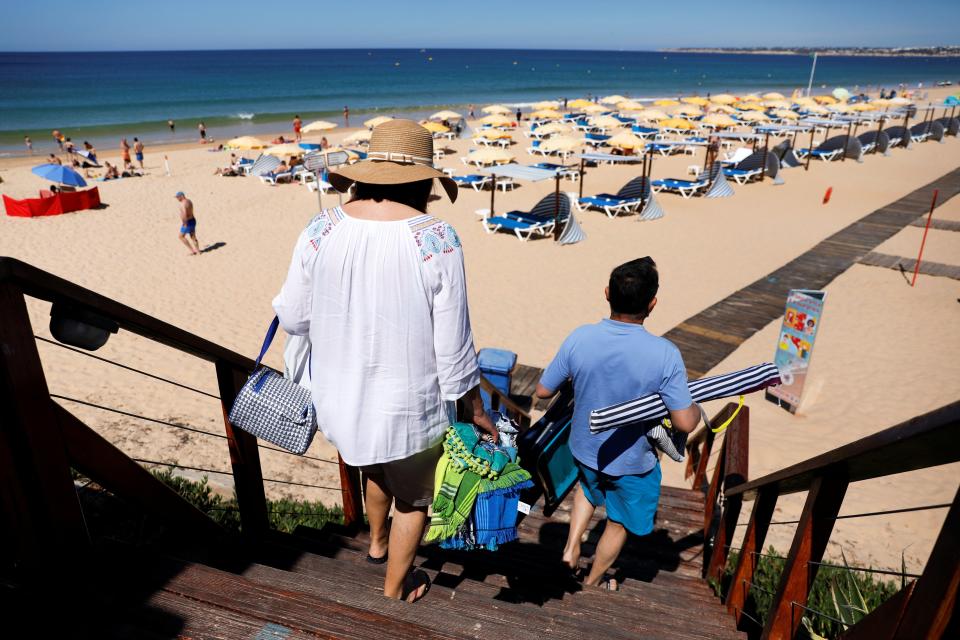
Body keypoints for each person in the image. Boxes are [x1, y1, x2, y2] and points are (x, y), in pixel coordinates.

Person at [273, 119, 495, 604]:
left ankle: (375, 545)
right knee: (414, 497)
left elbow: (292, 314)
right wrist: (474, 407)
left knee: (372, 466)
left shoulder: (321, 226)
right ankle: (396, 586)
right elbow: (454, 346)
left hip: (342, 397)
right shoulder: (436, 237)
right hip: (410, 403)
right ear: (424, 181)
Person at [535, 257, 700, 591]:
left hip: (584, 446)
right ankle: (593, 582)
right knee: (619, 521)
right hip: (632, 461)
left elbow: (541, 391)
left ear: (607, 293)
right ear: (653, 304)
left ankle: (571, 546)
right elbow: (684, 422)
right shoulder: (665, 354)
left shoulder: (580, 337)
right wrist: (696, 409)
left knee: (587, 487)